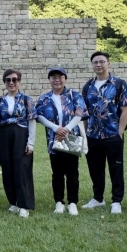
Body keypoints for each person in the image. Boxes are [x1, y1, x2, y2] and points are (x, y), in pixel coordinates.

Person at [82, 51, 127, 214]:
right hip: (93, 135)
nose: (98, 65)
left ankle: (116, 201)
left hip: (112, 135)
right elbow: (84, 112)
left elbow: (126, 109)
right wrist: (85, 133)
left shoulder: (119, 84)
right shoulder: (88, 86)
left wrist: (120, 131)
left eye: (102, 61)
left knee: (115, 168)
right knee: (95, 169)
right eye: (95, 62)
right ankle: (98, 198)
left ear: (108, 63)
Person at [35, 67, 88, 216]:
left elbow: (79, 113)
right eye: (53, 77)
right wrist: (56, 128)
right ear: (49, 80)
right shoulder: (45, 98)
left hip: (71, 139)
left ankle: (72, 203)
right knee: (57, 173)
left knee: (72, 173)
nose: (57, 80)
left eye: (60, 77)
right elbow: (38, 115)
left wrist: (66, 129)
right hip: (54, 139)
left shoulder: (74, 95)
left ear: (65, 78)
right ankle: (59, 202)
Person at [0, 69, 36, 218]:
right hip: (4, 135)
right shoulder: (0, 101)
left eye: (14, 80)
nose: (11, 83)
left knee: (21, 169)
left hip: (21, 134)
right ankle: (13, 201)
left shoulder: (26, 99)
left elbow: (32, 121)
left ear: (19, 81)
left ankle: (24, 204)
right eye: (8, 80)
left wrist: (31, 143)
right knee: (7, 168)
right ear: (4, 82)